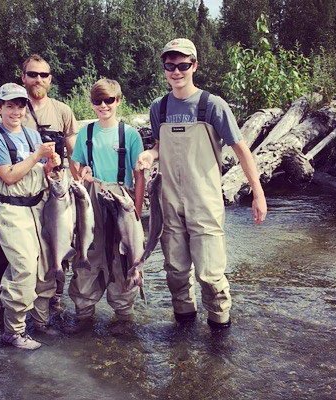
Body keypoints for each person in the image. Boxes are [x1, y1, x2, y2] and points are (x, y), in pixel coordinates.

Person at [136, 38, 267, 330]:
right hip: (169, 203)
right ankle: (183, 329)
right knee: (176, 272)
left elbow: (242, 150)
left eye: (183, 65)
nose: (176, 72)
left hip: (205, 202)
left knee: (210, 275)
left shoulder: (213, 106)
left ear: (194, 66)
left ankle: (220, 336)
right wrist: (149, 154)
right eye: (170, 66)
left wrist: (258, 193)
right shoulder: (159, 107)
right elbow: (159, 146)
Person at [0, 54, 79, 326]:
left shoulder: (62, 110)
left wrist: (75, 177)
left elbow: (73, 150)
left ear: (50, 79)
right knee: (5, 253)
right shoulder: (6, 122)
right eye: (32, 74)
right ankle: (1, 301)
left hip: (48, 192)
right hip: (14, 200)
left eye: (43, 75)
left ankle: (52, 299)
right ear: (23, 77)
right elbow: (5, 170)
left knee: (54, 246)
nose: (38, 79)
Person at [0, 82, 60, 349]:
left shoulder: (31, 135)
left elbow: (42, 173)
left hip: (38, 207)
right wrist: (39, 154)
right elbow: (9, 175)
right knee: (25, 267)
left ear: (26, 108)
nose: (16, 111)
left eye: (20, 105)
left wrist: (50, 165)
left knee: (46, 265)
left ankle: (41, 321)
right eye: (10, 106)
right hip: (12, 211)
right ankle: (13, 330)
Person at [67, 78, 145, 333]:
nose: (103, 106)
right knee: (89, 252)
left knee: (122, 257)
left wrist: (137, 209)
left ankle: (124, 315)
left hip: (121, 198)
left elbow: (139, 176)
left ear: (118, 101)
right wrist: (83, 176)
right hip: (92, 197)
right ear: (92, 105)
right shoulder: (85, 134)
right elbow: (76, 170)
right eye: (98, 101)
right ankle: (84, 313)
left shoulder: (130, 134)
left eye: (109, 100)